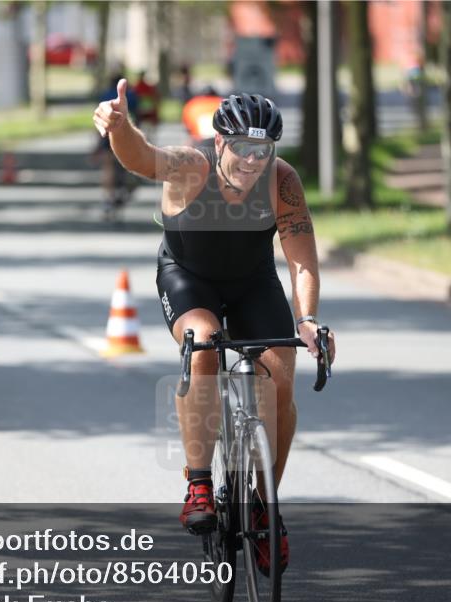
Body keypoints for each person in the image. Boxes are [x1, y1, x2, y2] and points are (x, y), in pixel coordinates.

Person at [93, 83, 336, 576]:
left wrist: (307, 320)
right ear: (221, 142)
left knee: (280, 382)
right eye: (243, 148)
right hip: (189, 277)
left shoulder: (280, 180)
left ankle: (266, 510)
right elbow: (143, 158)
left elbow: (302, 263)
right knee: (203, 342)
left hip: (252, 282)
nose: (252, 161)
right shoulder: (192, 166)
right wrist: (121, 129)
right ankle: (200, 480)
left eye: (262, 150)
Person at [94, 73, 137, 223]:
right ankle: (125, 191)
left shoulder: (105, 95)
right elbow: (138, 116)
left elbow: (98, 119)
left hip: (108, 133)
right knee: (130, 165)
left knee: (108, 166)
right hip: (129, 134)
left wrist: (96, 144)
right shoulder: (132, 95)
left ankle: (108, 198)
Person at [133, 70, 160, 139]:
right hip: (145, 113)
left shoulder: (137, 87)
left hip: (144, 113)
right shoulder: (143, 87)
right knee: (147, 133)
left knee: (145, 132)